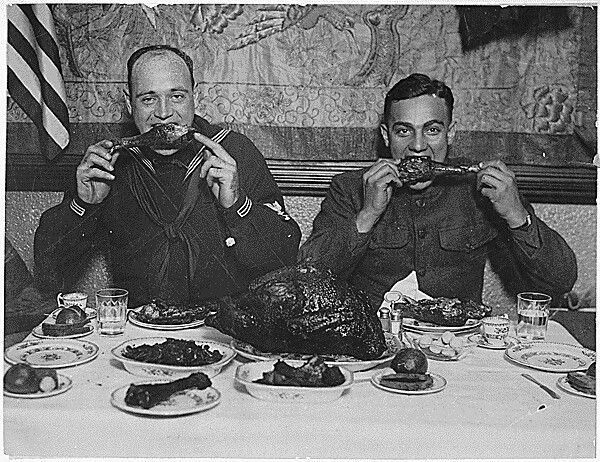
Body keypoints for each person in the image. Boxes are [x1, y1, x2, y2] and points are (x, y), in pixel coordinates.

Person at [34, 45, 301, 307]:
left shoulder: (235, 152)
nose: (164, 113)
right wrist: (84, 206)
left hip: (224, 329)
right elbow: (49, 272)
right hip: (139, 331)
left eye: (177, 96)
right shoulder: (107, 163)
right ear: (129, 103)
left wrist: (237, 205)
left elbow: (283, 260)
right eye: (148, 99)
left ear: (195, 97)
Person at [299, 73, 577, 310]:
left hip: (457, 346)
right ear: (386, 136)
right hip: (373, 340)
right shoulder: (349, 188)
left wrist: (517, 215)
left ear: (450, 133)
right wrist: (368, 214)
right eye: (403, 131)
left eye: (432, 130)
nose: (418, 146)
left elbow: (560, 281)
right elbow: (308, 278)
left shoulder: (480, 189)